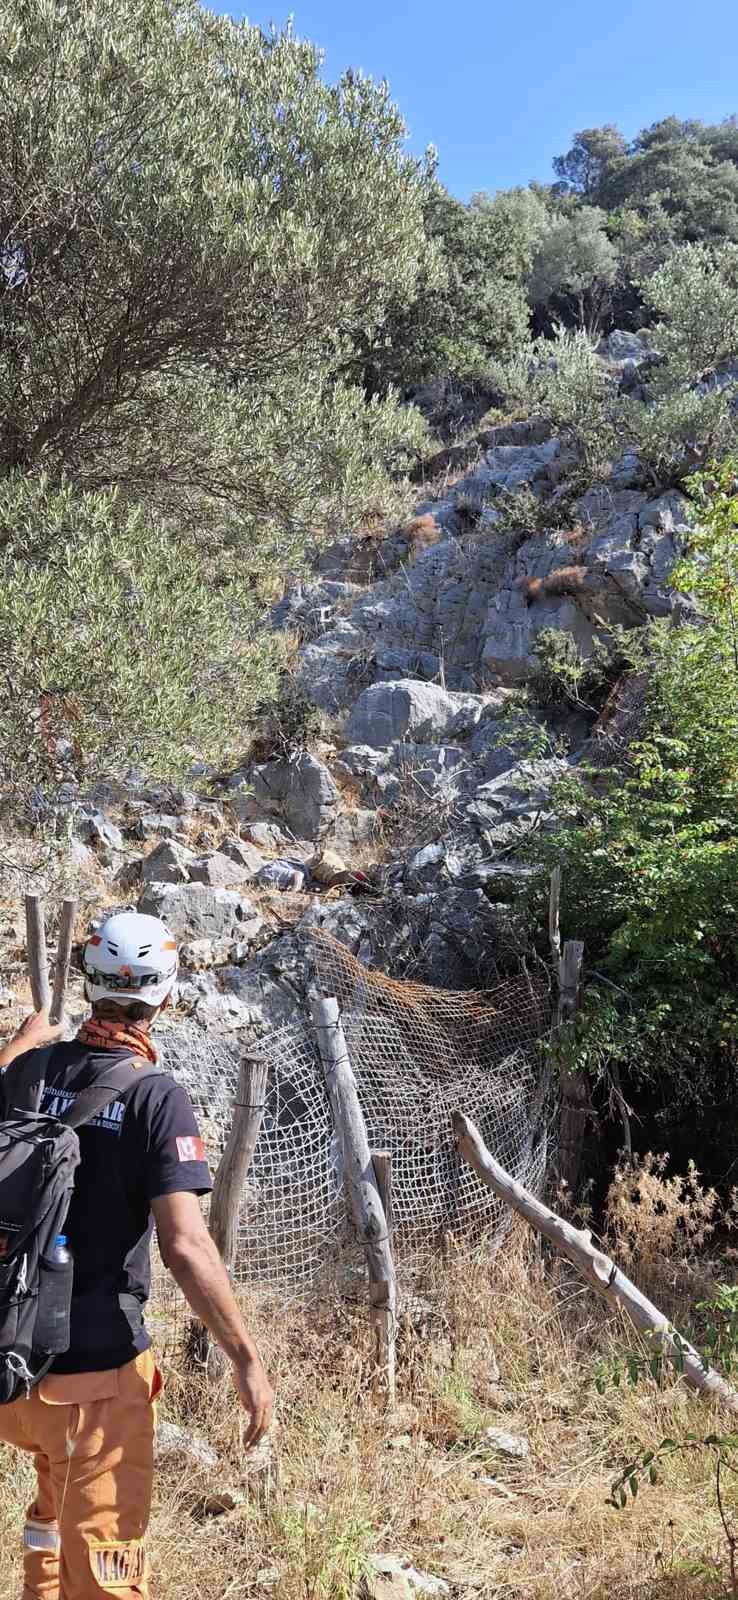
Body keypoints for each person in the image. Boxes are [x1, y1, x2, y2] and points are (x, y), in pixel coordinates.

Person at [0, 910, 273, 1600]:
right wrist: (245, 1359)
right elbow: (184, 1244)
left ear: (89, 986)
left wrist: (17, 1046)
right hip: (95, 1378)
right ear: (167, 995)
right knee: (106, 1569)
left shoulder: (26, 1071)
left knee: (50, 1526)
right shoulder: (157, 1098)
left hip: (14, 1373)